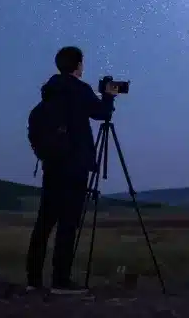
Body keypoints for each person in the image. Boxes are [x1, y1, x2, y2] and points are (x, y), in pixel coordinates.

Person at [26, 45, 118, 294]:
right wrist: (108, 95)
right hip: (75, 166)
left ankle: (33, 280)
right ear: (78, 65)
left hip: (52, 166)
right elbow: (102, 113)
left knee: (45, 222)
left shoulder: (50, 92)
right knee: (68, 223)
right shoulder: (79, 89)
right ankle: (61, 281)